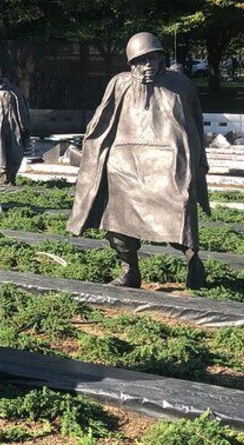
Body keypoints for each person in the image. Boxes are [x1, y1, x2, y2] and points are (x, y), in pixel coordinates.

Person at [67, 32, 209, 289]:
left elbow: (195, 125)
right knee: (117, 221)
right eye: (142, 61)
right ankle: (129, 270)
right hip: (126, 167)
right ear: (131, 63)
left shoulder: (180, 84)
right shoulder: (119, 84)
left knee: (178, 213)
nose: (149, 66)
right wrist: (92, 157)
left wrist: (197, 162)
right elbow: (101, 123)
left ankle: (193, 260)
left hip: (169, 164)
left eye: (154, 58)